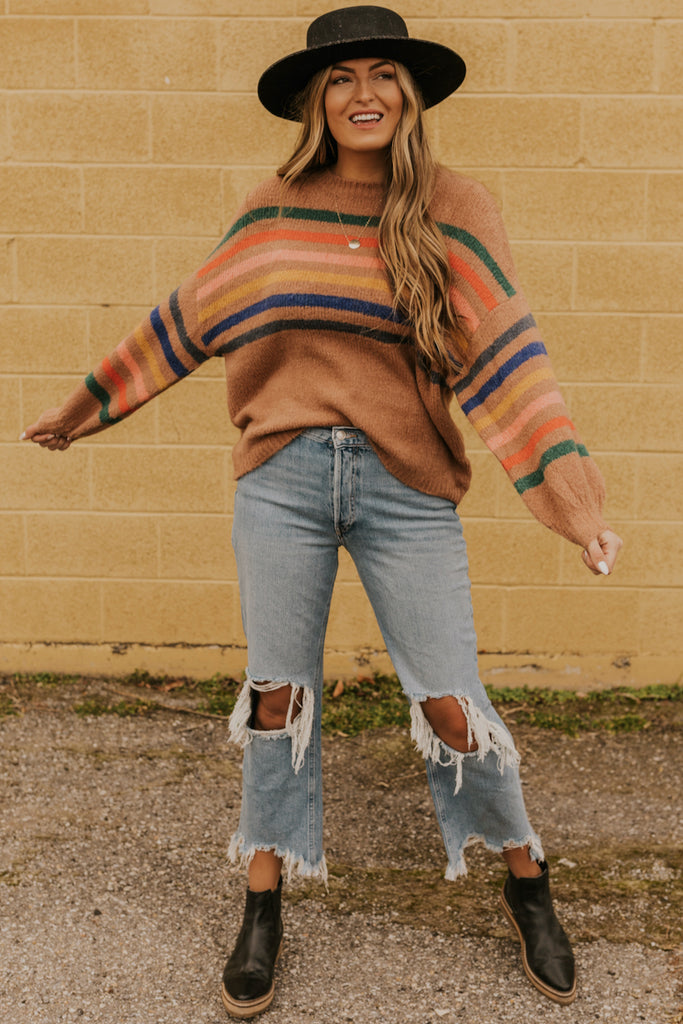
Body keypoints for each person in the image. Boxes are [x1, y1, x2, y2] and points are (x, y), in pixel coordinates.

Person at [22, 5, 622, 1017]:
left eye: (382, 74)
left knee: (450, 703)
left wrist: (575, 504)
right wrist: (85, 410)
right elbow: (186, 318)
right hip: (282, 481)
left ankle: (526, 880)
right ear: (315, 100)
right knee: (275, 699)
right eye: (340, 79)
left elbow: (510, 362)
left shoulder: (453, 207)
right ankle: (262, 901)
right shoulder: (273, 208)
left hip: (405, 489)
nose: (363, 94)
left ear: (408, 94)